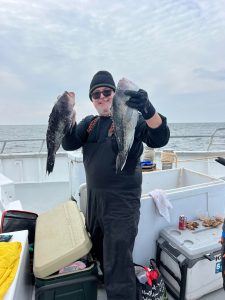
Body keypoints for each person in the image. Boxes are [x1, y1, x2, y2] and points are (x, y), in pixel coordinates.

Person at [62, 70, 170, 300]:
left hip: (122, 204)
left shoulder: (133, 116)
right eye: (96, 94)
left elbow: (160, 137)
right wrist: (66, 118)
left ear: (115, 94)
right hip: (95, 202)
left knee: (119, 264)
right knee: (100, 253)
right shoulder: (89, 124)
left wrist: (148, 109)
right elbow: (68, 143)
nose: (102, 97)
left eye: (107, 92)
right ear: (92, 100)